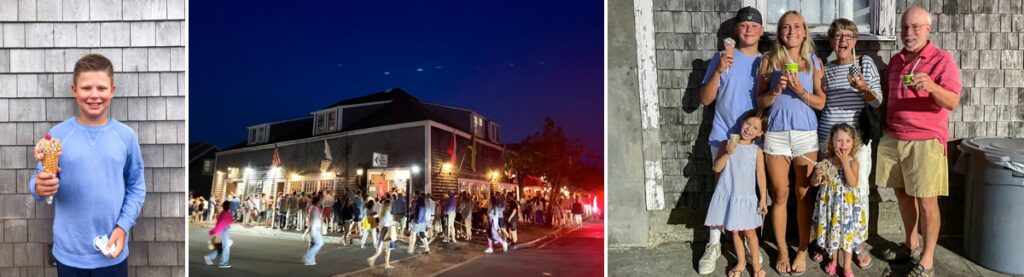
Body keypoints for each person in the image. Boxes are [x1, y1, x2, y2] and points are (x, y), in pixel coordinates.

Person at [27, 54, 146, 276]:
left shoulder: (126, 136)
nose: (94, 95)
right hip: (68, 253)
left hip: (112, 250)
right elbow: (39, 179)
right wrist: (38, 187)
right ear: (74, 91)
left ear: (112, 90)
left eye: (101, 88)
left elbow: (136, 186)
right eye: (86, 88)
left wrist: (123, 227)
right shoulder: (56, 136)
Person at [876, 7, 962, 277]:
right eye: (904, 27)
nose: (908, 32)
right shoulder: (896, 61)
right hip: (894, 137)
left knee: (926, 202)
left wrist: (933, 87)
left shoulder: (941, 59)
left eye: (915, 27)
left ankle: (927, 260)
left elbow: (953, 101)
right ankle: (910, 245)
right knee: (902, 196)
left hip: (925, 141)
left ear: (928, 29)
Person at [756, 10, 826, 276]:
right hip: (775, 134)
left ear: (805, 31)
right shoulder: (769, 61)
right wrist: (775, 91)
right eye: (786, 27)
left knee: (804, 194)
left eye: (797, 26)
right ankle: (783, 250)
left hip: (805, 135)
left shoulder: (814, 62)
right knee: (780, 194)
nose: (792, 31)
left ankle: (802, 250)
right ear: (779, 32)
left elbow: (821, 102)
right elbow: (759, 101)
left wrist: (800, 91)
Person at [695, 8, 766, 270]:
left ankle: (748, 240)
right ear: (736, 30)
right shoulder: (722, 56)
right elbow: (705, 100)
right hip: (723, 134)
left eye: (754, 25)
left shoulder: (764, 62)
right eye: (743, 24)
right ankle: (714, 243)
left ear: (761, 31)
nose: (748, 28)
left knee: (747, 190)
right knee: (721, 191)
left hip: (750, 139)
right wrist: (718, 71)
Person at [814, 18, 882, 270]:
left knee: (858, 190)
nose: (843, 40)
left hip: (855, 142)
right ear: (831, 40)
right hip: (827, 141)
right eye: (838, 36)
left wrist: (863, 88)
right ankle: (827, 240)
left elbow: (877, 102)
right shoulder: (826, 68)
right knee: (827, 192)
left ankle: (856, 243)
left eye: (848, 36)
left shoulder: (864, 64)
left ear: (855, 40)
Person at [704, 110, 769, 277]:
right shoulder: (727, 143)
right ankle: (740, 262)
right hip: (731, 196)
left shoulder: (756, 150)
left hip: (746, 199)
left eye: (755, 128)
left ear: (760, 133)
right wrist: (727, 153)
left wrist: (763, 199)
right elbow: (716, 168)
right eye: (748, 123)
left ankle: (755, 265)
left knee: (750, 233)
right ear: (742, 122)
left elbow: (761, 176)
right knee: (735, 231)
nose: (749, 129)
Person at [812, 123, 869, 277]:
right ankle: (834, 261)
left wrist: (844, 162)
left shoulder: (853, 163)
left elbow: (852, 183)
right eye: (839, 141)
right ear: (832, 142)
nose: (843, 144)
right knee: (833, 235)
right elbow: (814, 182)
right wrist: (817, 177)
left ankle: (847, 266)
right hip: (831, 208)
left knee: (847, 237)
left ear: (853, 144)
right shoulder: (826, 162)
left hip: (847, 210)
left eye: (847, 141)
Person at [367, 199, 397, 269]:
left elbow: (380, 222)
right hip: (387, 230)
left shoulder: (381, 212)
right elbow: (388, 223)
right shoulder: (387, 213)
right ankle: (375, 260)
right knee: (388, 248)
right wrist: (393, 223)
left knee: (385, 248)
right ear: (388, 205)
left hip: (383, 230)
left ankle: (385, 263)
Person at [204, 200, 234, 268]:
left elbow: (222, 223)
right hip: (222, 233)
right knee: (225, 248)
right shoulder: (225, 214)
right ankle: (223, 263)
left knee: (222, 248)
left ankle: (209, 258)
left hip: (222, 233)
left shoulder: (224, 213)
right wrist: (214, 231)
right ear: (228, 206)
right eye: (230, 205)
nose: (231, 206)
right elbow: (220, 224)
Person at [301, 194, 324, 265]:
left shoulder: (312, 208)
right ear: (317, 202)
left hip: (312, 227)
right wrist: (313, 229)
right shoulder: (315, 209)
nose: (321, 202)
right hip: (315, 228)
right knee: (319, 243)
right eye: (320, 201)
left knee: (312, 244)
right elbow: (314, 220)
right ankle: (307, 257)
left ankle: (310, 260)